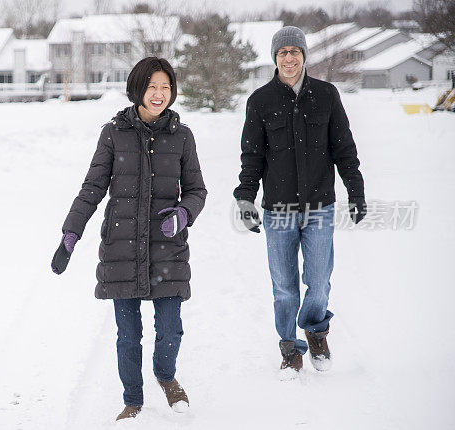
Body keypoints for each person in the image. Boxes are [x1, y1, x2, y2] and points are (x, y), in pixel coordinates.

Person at [51, 57, 207, 420]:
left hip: (168, 250)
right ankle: (133, 401)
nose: (159, 94)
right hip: (122, 248)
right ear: (138, 88)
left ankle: (166, 377)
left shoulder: (182, 136)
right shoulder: (113, 133)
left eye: (165, 87)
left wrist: (184, 214)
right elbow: (92, 187)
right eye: (152, 86)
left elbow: (197, 189)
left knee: (170, 331)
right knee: (127, 336)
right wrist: (71, 232)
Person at [233, 26, 367, 379]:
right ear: (275, 58)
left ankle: (315, 330)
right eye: (282, 52)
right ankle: (290, 347)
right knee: (284, 286)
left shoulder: (326, 95)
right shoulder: (260, 102)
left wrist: (356, 191)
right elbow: (252, 156)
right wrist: (245, 197)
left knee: (320, 280)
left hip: (319, 205)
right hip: (278, 210)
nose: (289, 58)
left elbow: (344, 148)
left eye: (295, 51)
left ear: (304, 56)